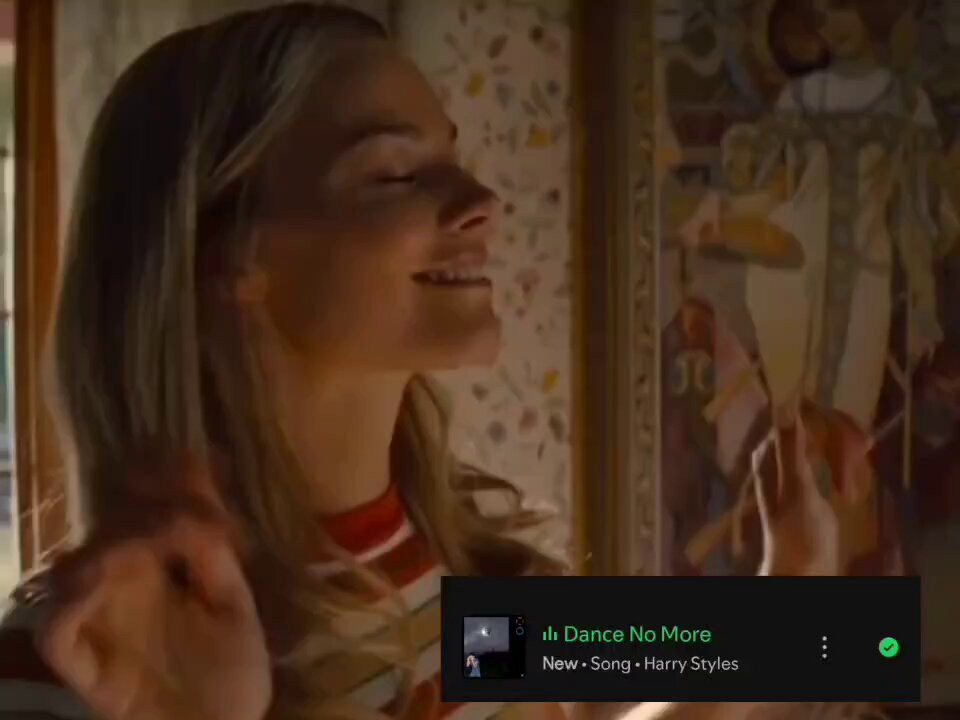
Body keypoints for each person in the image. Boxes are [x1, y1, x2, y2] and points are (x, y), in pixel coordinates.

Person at [0, 4, 845, 720]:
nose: (482, 202)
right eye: (397, 173)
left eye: (453, 159)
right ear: (225, 253)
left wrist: (797, 588)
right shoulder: (80, 651)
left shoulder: (486, 594)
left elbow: (846, 646)